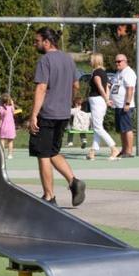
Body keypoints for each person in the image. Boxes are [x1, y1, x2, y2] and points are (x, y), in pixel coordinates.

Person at [28, 26, 86, 207]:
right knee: (53, 152)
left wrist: (34, 115)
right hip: (63, 114)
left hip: (47, 113)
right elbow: (76, 85)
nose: (35, 44)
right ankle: (74, 182)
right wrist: (65, 99)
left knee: (43, 154)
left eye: (37, 41)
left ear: (46, 42)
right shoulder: (68, 59)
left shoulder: (45, 60)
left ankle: (49, 197)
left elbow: (41, 87)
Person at [86, 53, 120, 161]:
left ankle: (114, 148)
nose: (89, 61)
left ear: (95, 61)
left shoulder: (96, 73)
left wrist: (106, 99)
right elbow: (107, 87)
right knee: (97, 127)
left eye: (91, 59)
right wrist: (107, 99)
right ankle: (93, 151)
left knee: (98, 127)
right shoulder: (103, 72)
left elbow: (100, 87)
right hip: (101, 102)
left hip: (97, 101)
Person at [110, 53, 137, 157]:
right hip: (118, 105)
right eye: (115, 62)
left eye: (119, 61)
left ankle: (129, 151)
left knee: (127, 129)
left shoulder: (129, 73)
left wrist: (127, 103)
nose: (117, 63)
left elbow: (130, 89)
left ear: (125, 61)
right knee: (122, 129)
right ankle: (124, 149)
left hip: (125, 106)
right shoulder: (118, 73)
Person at [0, 93, 17, 159]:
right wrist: (12, 104)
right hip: (10, 127)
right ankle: (10, 155)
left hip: (3, 127)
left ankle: (2, 154)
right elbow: (14, 112)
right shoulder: (11, 108)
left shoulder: (0, 108)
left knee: (2, 141)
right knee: (10, 141)